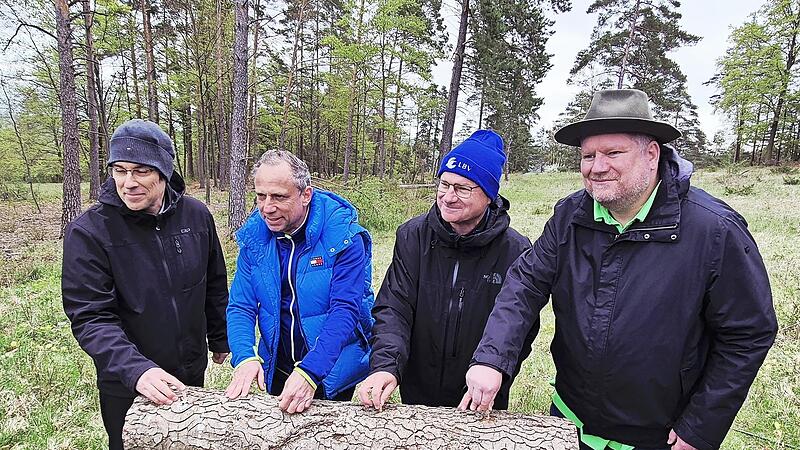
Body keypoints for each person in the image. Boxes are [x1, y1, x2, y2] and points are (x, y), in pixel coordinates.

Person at [460, 89, 777, 450]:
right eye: (588, 155)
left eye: (613, 153)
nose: (597, 166)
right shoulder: (570, 217)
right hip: (570, 420)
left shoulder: (714, 231)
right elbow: (525, 284)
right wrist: (491, 358)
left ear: (651, 153)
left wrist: (702, 427)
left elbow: (747, 333)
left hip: (661, 436)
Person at [62, 119, 230, 450]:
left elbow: (213, 281)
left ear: (164, 172)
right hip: (126, 381)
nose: (128, 183)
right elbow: (91, 317)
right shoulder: (90, 232)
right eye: (119, 170)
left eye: (141, 171)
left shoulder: (195, 215)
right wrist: (137, 371)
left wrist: (220, 336)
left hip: (189, 371)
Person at [357, 130, 533, 411]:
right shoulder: (412, 236)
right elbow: (394, 306)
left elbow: (519, 322)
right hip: (417, 388)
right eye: (444, 184)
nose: (448, 197)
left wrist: (495, 366)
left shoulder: (515, 249)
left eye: (463, 188)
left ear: (489, 195)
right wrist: (386, 366)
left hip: (480, 391)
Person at [224, 150, 374, 414]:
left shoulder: (344, 236)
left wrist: (310, 372)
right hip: (278, 364)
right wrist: (244, 356)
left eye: (279, 197)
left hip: (330, 365)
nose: (267, 208)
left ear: (306, 195)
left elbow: (345, 309)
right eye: (261, 196)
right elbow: (241, 306)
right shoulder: (255, 238)